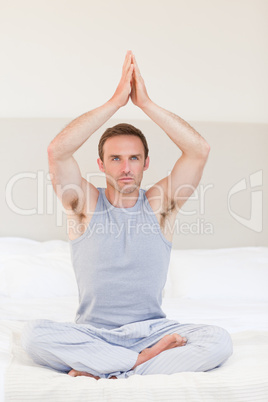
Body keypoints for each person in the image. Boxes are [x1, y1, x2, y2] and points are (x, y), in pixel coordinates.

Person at [21, 50, 233, 380]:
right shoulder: (85, 204)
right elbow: (57, 151)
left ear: (146, 163)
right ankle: (137, 364)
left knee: (219, 341)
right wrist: (115, 102)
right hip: (94, 333)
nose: (125, 167)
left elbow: (198, 150)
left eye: (134, 158)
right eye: (116, 159)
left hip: (153, 331)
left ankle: (107, 366)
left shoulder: (159, 205)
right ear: (101, 164)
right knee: (33, 336)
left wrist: (146, 104)